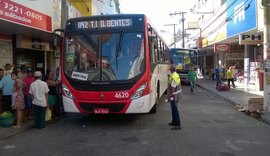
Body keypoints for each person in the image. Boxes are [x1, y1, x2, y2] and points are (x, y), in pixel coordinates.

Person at [167, 66, 182, 130]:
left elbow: (173, 87)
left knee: (175, 109)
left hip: (174, 95)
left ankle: (177, 124)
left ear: (171, 70)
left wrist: (170, 96)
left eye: (169, 69)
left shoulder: (173, 76)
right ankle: (173, 121)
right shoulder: (175, 75)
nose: (169, 70)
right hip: (176, 94)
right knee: (173, 108)